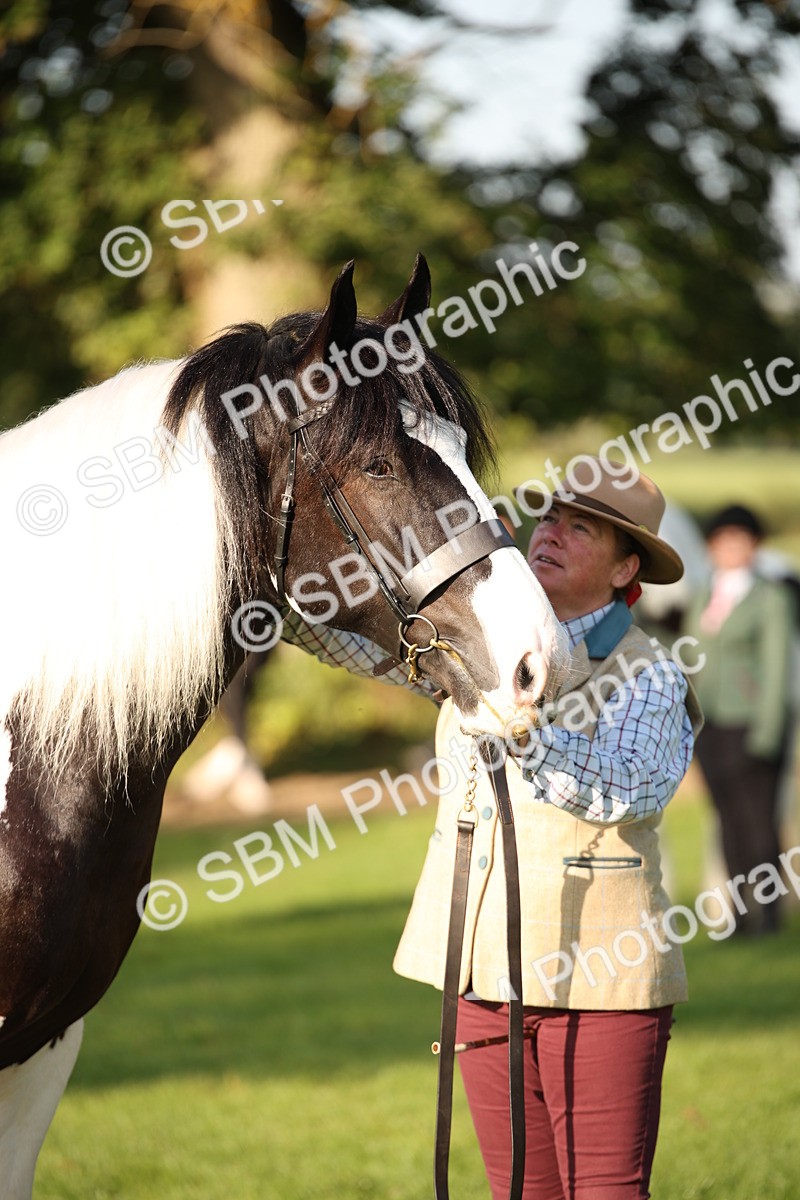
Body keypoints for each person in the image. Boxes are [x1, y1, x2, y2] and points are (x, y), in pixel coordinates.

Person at [282, 456, 702, 1200]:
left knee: (604, 1191)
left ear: (624, 568)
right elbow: (356, 643)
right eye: (549, 519)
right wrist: (270, 599)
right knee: (520, 1192)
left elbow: (626, 790)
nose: (552, 535)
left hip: (600, 975)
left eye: (583, 529)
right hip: (479, 975)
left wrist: (517, 722)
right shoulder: (474, 644)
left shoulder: (651, 672)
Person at [682, 504, 795, 935]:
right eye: (722, 539)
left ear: (754, 545)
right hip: (714, 727)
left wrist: (768, 733)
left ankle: (768, 915)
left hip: (755, 724)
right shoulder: (705, 593)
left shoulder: (770, 596)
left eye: (739, 539)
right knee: (727, 822)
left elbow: (776, 665)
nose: (729, 547)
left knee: (760, 824)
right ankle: (739, 917)